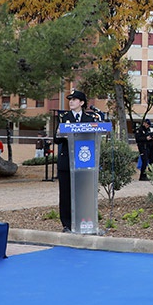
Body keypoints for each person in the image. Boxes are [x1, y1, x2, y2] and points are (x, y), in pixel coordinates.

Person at [54, 89, 97, 232]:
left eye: (74, 99)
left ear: (82, 103)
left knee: (83, 194)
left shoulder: (90, 119)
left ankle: (83, 222)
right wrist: (65, 135)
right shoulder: (63, 118)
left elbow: (94, 137)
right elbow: (56, 138)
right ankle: (67, 224)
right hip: (66, 161)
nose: (71, 102)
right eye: (70, 100)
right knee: (65, 194)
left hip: (84, 163)